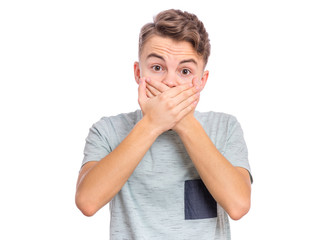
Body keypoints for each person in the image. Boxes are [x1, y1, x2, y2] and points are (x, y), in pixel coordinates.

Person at [75, 9, 252, 239]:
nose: (169, 82)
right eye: (157, 68)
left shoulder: (225, 127)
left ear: (202, 81)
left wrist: (183, 122)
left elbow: (238, 205)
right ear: (139, 73)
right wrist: (152, 124)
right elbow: (87, 202)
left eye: (185, 71)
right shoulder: (107, 130)